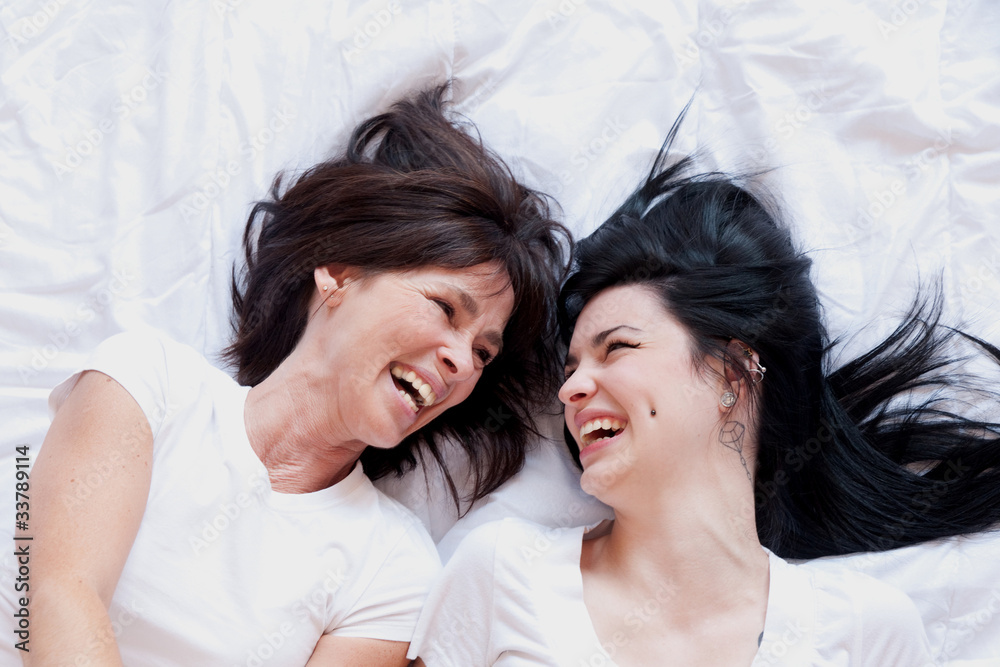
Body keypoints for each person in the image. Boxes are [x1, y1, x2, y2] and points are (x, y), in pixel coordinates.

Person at [408, 118, 1000, 665]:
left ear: (733, 373)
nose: (571, 390)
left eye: (618, 348)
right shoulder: (504, 572)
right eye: (570, 368)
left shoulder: (864, 627)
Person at [14, 86, 570, 666]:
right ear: (339, 273)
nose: (462, 362)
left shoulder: (394, 570)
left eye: (483, 352)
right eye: (445, 307)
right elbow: (60, 597)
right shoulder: (151, 386)